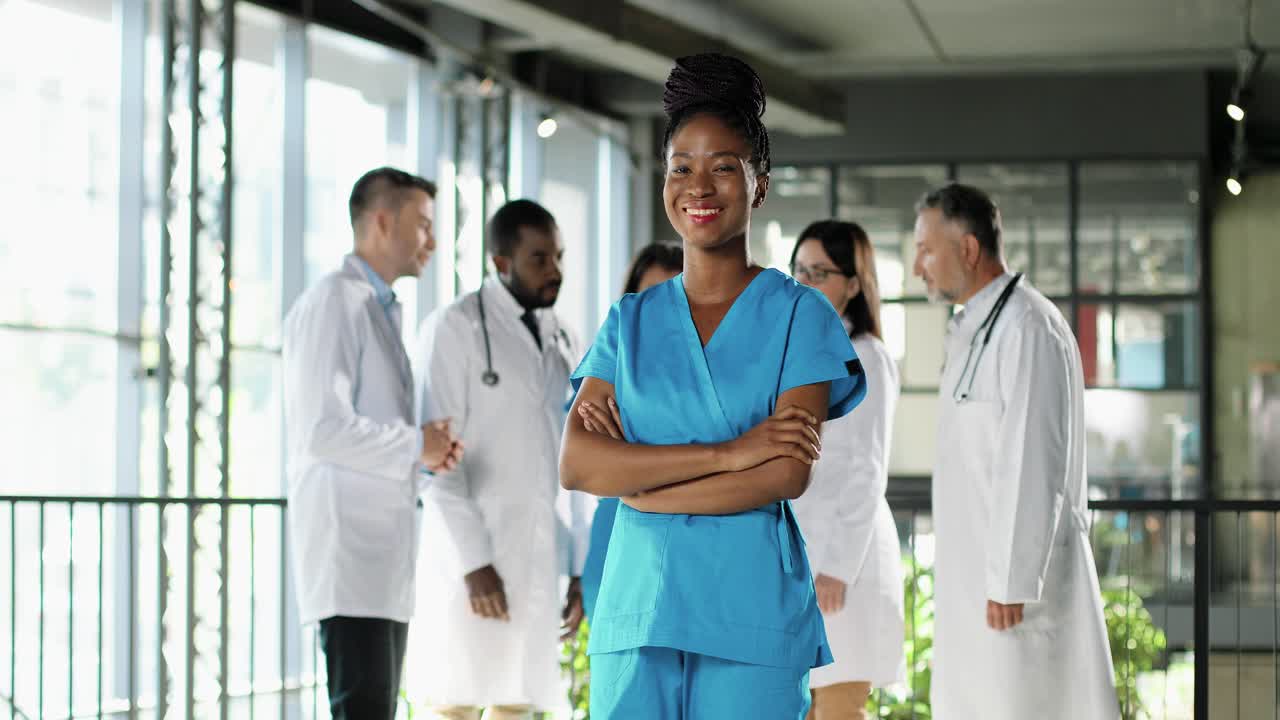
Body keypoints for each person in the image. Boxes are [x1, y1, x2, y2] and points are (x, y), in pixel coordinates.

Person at [560, 53, 866, 720]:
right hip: (638, 609)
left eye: (723, 166)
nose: (699, 185)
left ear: (758, 185)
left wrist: (639, 487)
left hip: (749, 610)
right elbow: (579, 464)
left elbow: (785, 473)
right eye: (681, 167)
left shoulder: (798, 316)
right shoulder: (629, 321)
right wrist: (732, 452)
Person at [912, 183, 1118, 719]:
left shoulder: (1029, 327)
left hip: (1015, 593)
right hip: (975, 587)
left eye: (926, 251)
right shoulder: (976, 329)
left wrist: (1010, 580)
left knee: (1023, 704)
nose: (918, 268)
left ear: (969, 249)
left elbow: (1033, 460)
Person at [282, 167, 464, 720]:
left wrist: (429, 455)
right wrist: (416, 445)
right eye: (424, 225)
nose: (433, 240)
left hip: (380, 559)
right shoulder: (335, 302)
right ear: (383, 222)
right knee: (362, 710)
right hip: (350, 557)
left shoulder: (377, 306)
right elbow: (320, 428)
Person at [413, 199, 586, 720]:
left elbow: (574, 458)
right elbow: (434, 460)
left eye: (558, 257)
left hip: (540, 556)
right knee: (455, 704)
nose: (554, 270)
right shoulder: (455, 328)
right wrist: (474, 563)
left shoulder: (564, 336)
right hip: (472, 560)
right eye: (539, 259)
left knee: (518, 702)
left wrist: (579, 568)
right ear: (501, 262)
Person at [788, 221, 906, 720]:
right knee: (807, 704)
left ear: (854, 284)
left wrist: (838, 565)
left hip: (845, 560)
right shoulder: (796, 350)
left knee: (839, 703)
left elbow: (867, 468)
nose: (806, 283)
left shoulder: (867, 356)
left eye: (821, 273)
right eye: (799, 271)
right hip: (803, 549)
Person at [578, 241, 684, 621]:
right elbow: (583, 464)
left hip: (689, 551)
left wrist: (628, 452)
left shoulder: (719, 380)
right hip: (616, 543)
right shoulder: (606, 369)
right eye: (648, 299)